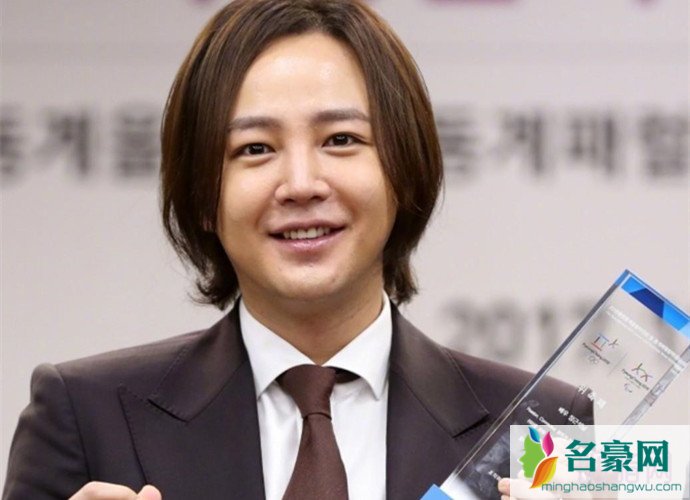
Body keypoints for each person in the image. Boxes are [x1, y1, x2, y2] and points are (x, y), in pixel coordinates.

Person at [3, 1, 585, 499]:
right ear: (203, 193)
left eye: (341, 139)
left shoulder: (542, 429)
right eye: (255, 148)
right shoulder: (87, 418)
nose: (302, 184)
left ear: (404, 170)